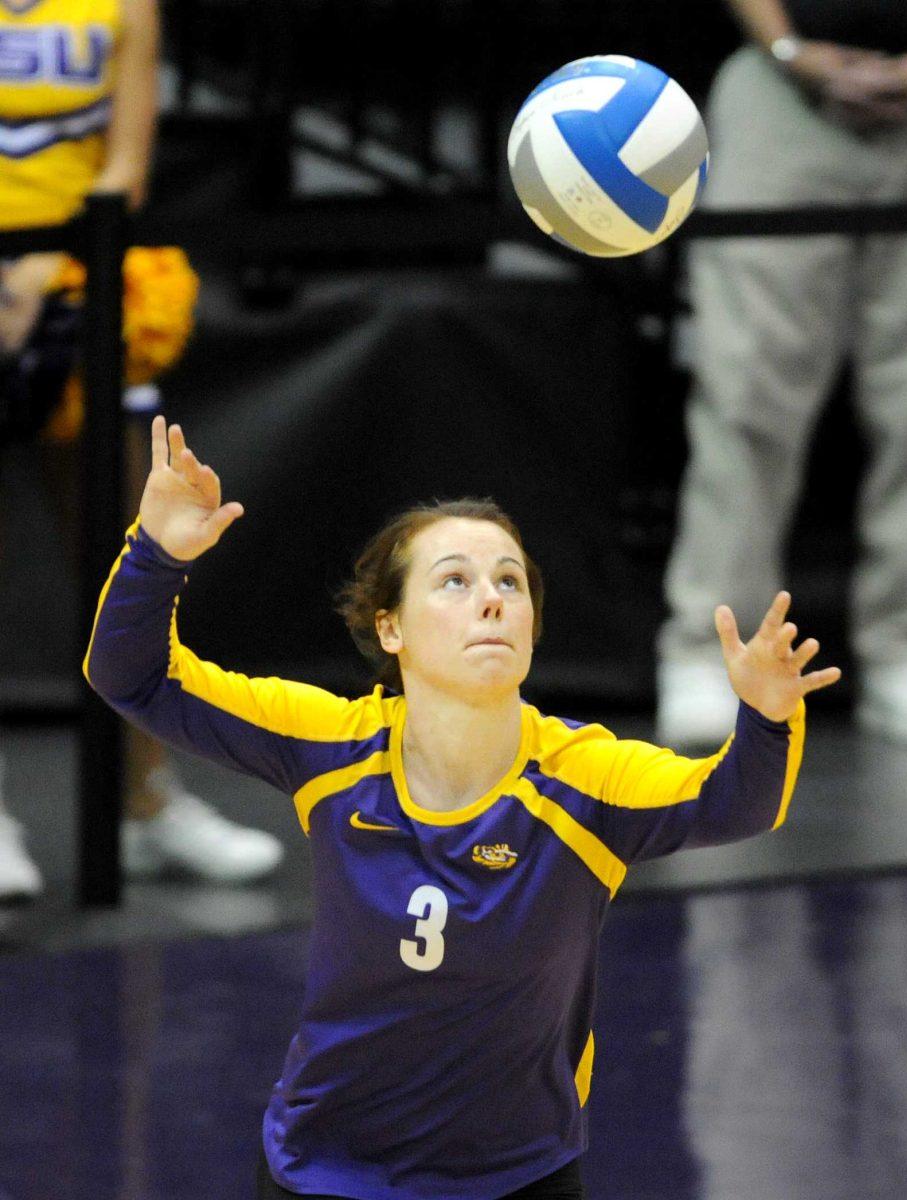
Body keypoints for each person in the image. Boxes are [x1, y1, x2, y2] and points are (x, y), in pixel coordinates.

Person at [84, 415, 840, 1199]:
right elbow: (135, 679)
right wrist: (157, 552)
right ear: (391, 627)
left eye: (509, 582)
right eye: (455, 580)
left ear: (533, 629)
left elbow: (735, 805)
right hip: (328, 1174)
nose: (491, 601)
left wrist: (767, 716)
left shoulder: (585, 778)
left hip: (518, 1179)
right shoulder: (332, 744)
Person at [0, 0, 282, 898]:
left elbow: (123, 164)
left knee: (129, 548)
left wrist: (46, 271)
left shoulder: (125, 4)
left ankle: (148, 802)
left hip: (77, 278)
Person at [656, 0, 907, 748]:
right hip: (783, 91)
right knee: (747, 392)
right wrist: (791, 48)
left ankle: (901, 646)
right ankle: (711, 650)